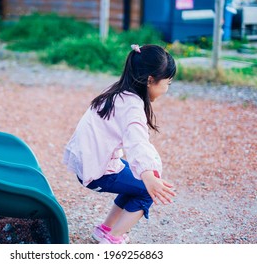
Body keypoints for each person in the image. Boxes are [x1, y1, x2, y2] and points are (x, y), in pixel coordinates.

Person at [63, 44, 177, 244]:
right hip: (97, 171)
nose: (167, 89)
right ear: (150, 80)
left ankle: (105, 229)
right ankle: (112, 240)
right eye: (167, 83)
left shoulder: (116, 91)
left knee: (135, 179)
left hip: (90, 162)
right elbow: (137, 144)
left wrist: (144, 173)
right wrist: (148, 176)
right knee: (145, 190)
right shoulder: (132, 107)